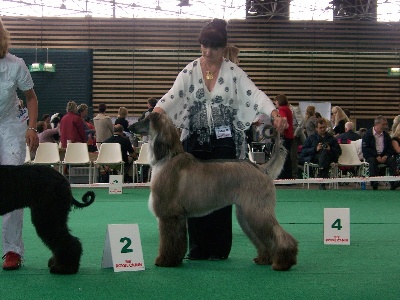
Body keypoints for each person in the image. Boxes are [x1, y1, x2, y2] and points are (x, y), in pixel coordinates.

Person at [152, 19, 287, 261]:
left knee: (223, 195)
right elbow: (172, 96)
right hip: (194, 143)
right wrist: (156, 114)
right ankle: (198, 249)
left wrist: (275, 113)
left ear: (223, 48)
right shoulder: (190, 70)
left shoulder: (234, 73)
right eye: (203, 46)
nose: (207, 52)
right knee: (192, 196)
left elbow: (255, 94)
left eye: (213, 47)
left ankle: (219, 249)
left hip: (225, 143)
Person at [0, 17, 39, 270]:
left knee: (11, 188)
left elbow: (31, 97)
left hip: (10, 128)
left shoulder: (16, 65)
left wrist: (32, 128)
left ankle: (12, 250)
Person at [299, 118, 342, 190]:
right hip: (315, 157)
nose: (322, 129)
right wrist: (315, 149)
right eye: (320, 128)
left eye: (324, 127)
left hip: (329, 157)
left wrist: (330, 149)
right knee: (324, 156)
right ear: (316, 128)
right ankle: (322, 176)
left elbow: (339, 152)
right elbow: (303, 152)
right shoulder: (310, 138)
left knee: (325, 153)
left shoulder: (332, 138)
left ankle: (321, 173)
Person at [362, 115, 400, 190]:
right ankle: (374, 182)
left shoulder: (386, 135)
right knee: (372, 161)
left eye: (386, 124)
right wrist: (376, 156)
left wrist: (385, 156)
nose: (385, 126)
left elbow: (390, 148)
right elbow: (366, 149)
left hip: (384, 156)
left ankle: (394, 182)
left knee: (392, 161)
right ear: (376, 124)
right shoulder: (367, 135)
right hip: (372, 156)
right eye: (383, 124)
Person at [274, 94, 294, 179]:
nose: (275, 103)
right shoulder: (288, 109)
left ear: (278, 102)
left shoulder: (281, 109)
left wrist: (279, 129)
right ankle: (288, 176)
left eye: (275, 102)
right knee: (287, 157)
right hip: (290, 135)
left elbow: (284, 122)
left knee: (283, 157)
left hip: (285, 136)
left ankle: (283, 176)